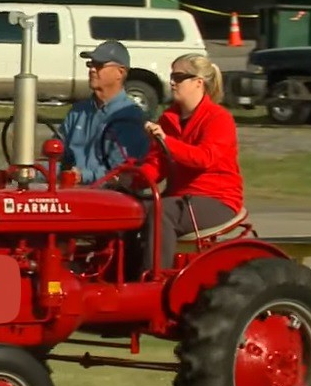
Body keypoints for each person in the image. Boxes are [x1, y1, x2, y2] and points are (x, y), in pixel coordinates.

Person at [132, 52, 244, 272]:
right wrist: (130, 181)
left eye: (179, 77)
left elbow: (204, 158)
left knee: (161, 212)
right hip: (180, 199)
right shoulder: (168, 119)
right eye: (172, 76)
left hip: (217, 199)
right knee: (127, 210)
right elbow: (157, 163)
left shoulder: (218, 118)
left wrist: (166, 141)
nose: (172, 82)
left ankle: (154, 280)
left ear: (198, 83)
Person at [55, 40, 150, 185]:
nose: (92, 69)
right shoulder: (77, 112)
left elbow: (124, 173)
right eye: (90, 65)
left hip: (112, 198)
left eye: (99, 65)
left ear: (120, 72)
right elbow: (58, 159)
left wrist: (82, 176)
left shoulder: (131, 116)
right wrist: (31, 171)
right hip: (73, 193)